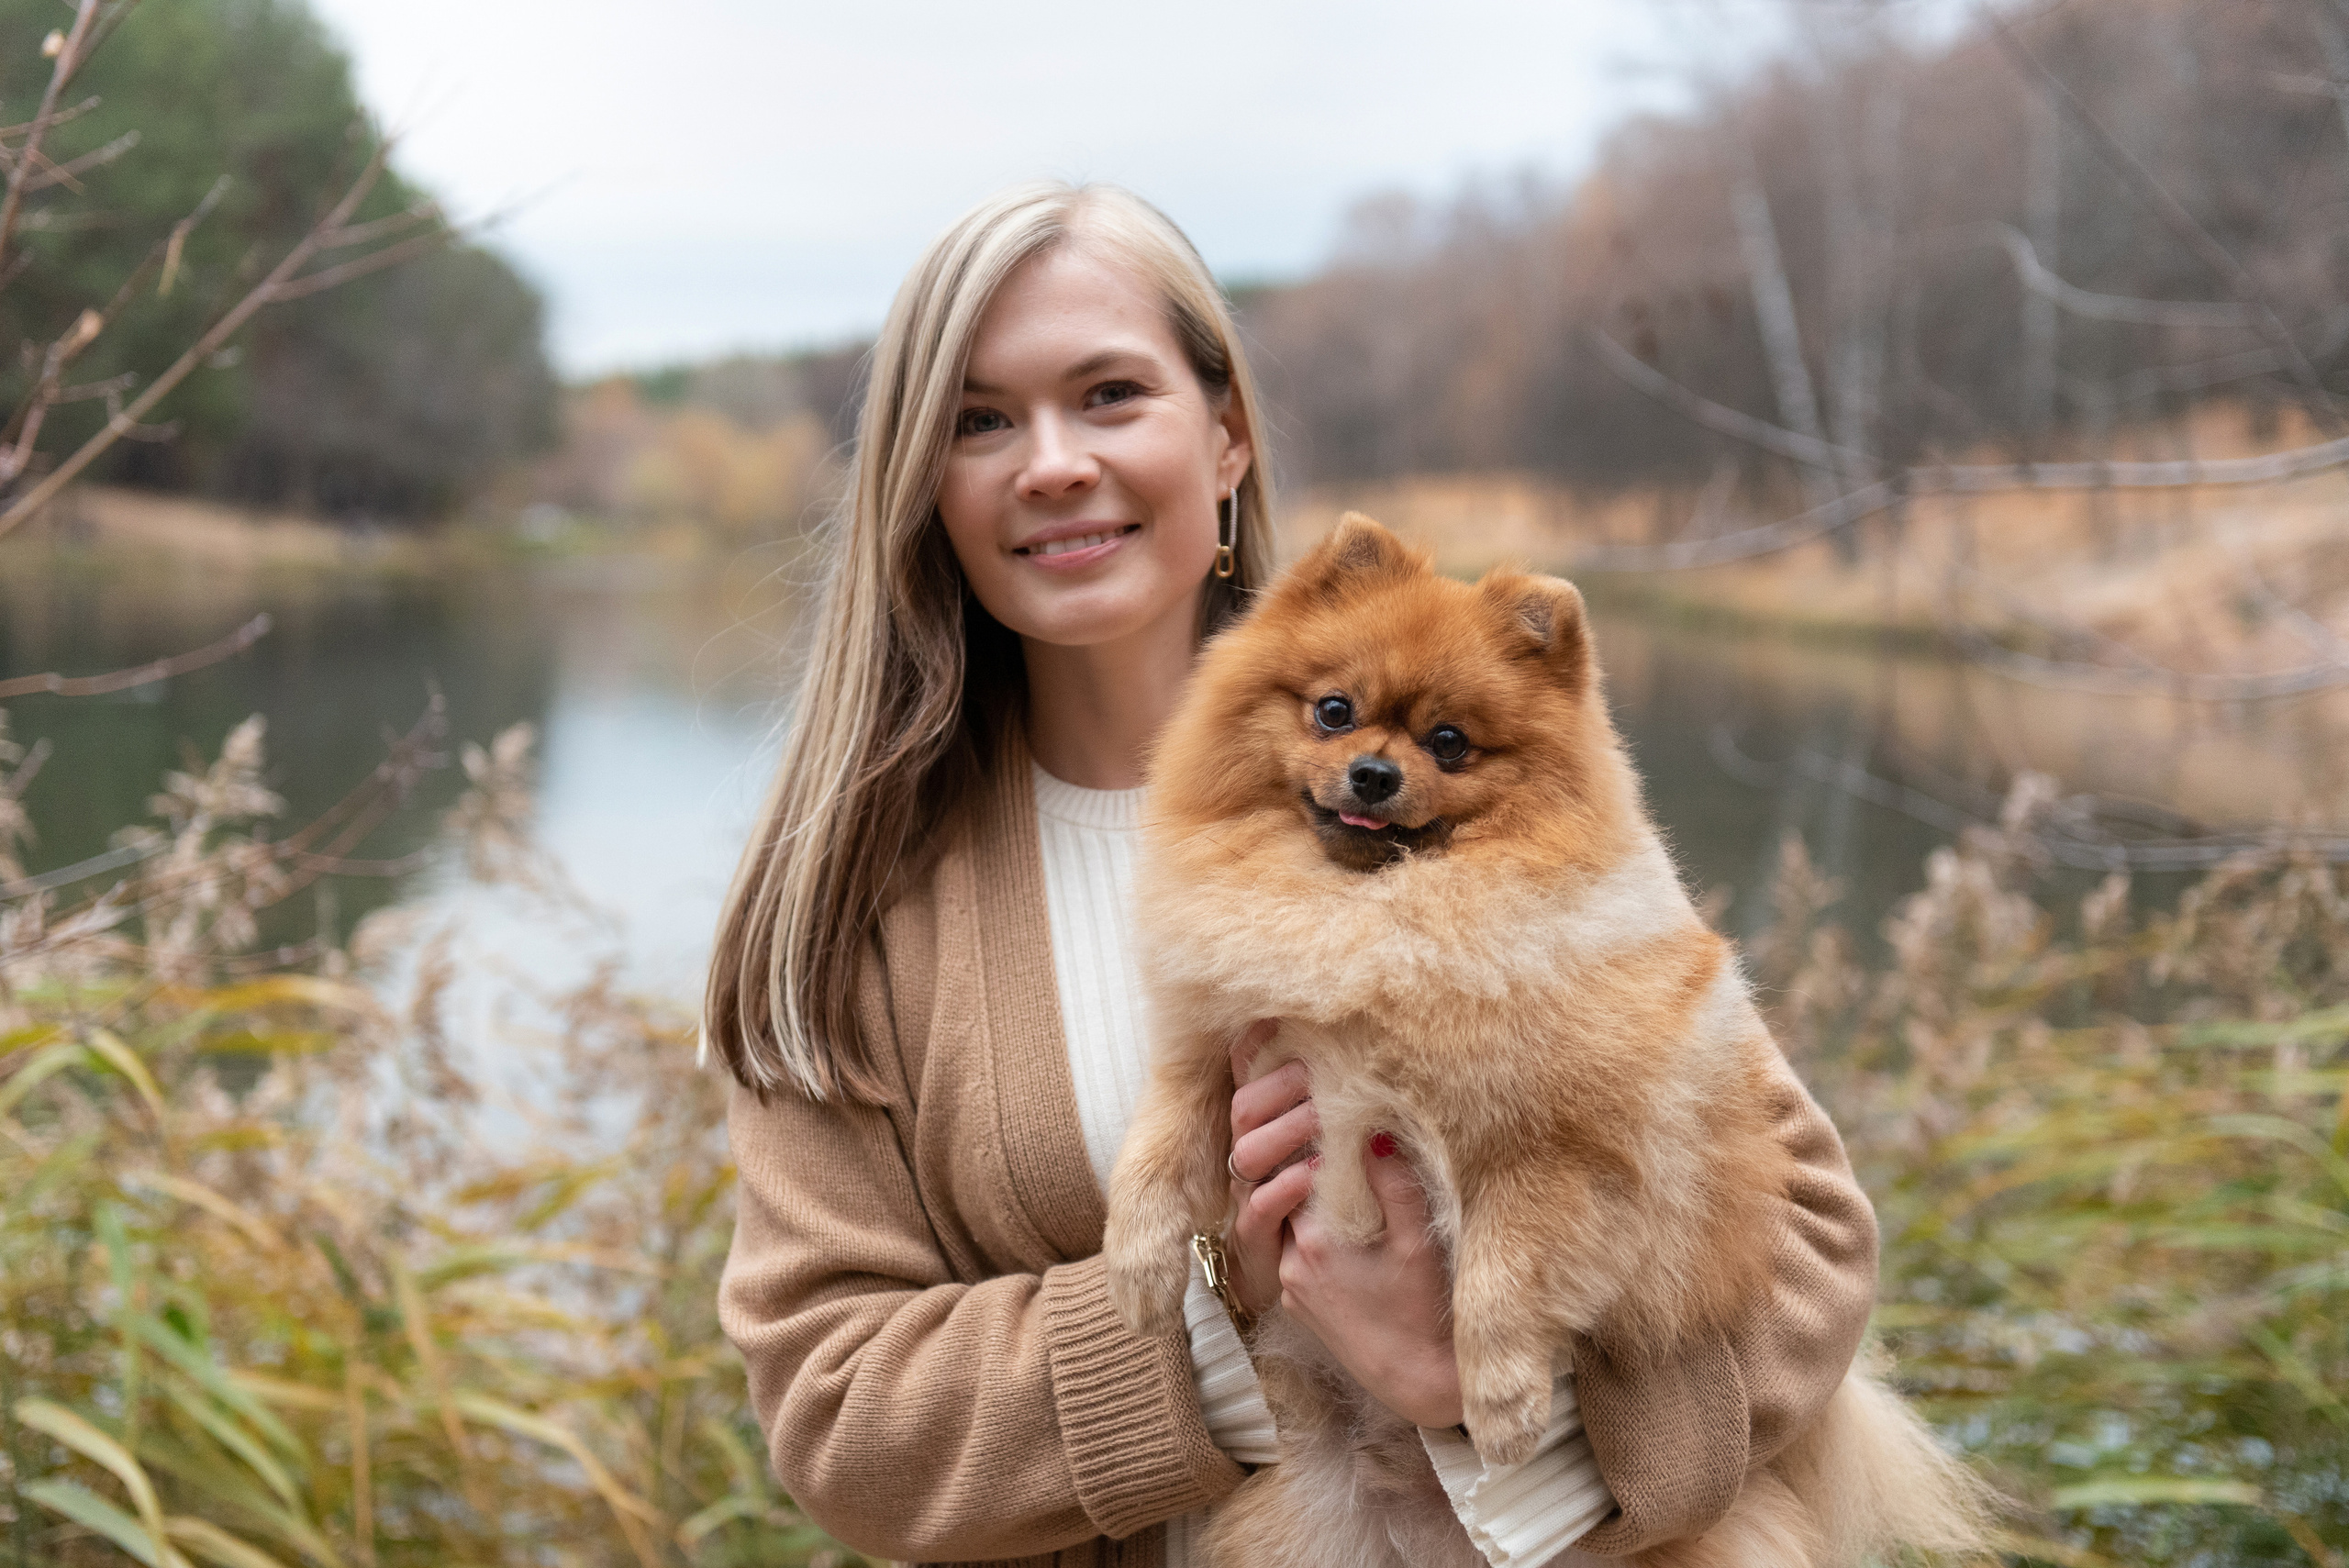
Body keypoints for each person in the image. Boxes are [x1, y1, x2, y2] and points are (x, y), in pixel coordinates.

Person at [708, 180, 1879, 1568]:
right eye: (980, 420)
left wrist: (1480, 1390)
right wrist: (1223, 1307)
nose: (1054, 463)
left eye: (1110, 394)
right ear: (921, 482)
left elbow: (1811, 1251)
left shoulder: (1513, 831)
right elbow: (839, 1415)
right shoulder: (844, 898)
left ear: (1227, 439)